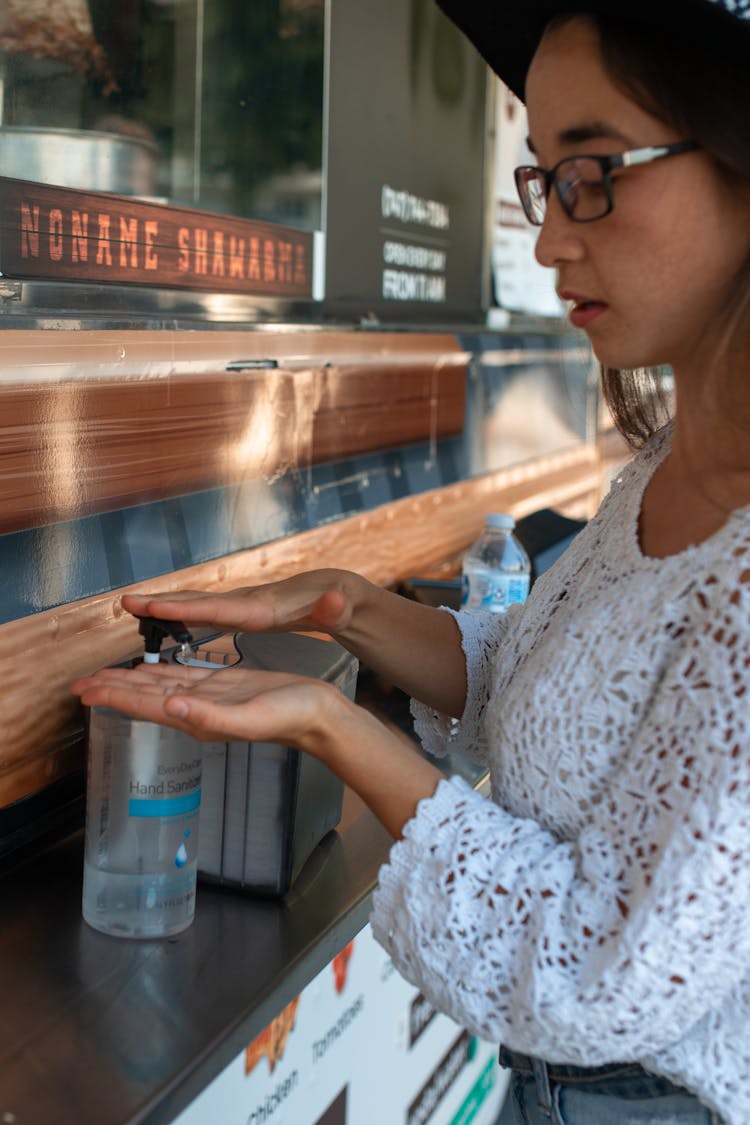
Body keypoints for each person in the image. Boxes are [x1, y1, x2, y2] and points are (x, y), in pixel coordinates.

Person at [72, 2, 750, 1122]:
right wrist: (349, 608)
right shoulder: (670, 464)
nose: (548, 238)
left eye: (592, 168)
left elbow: (594, 973)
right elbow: (554, 695)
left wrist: (331, 724)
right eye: (542, 178)